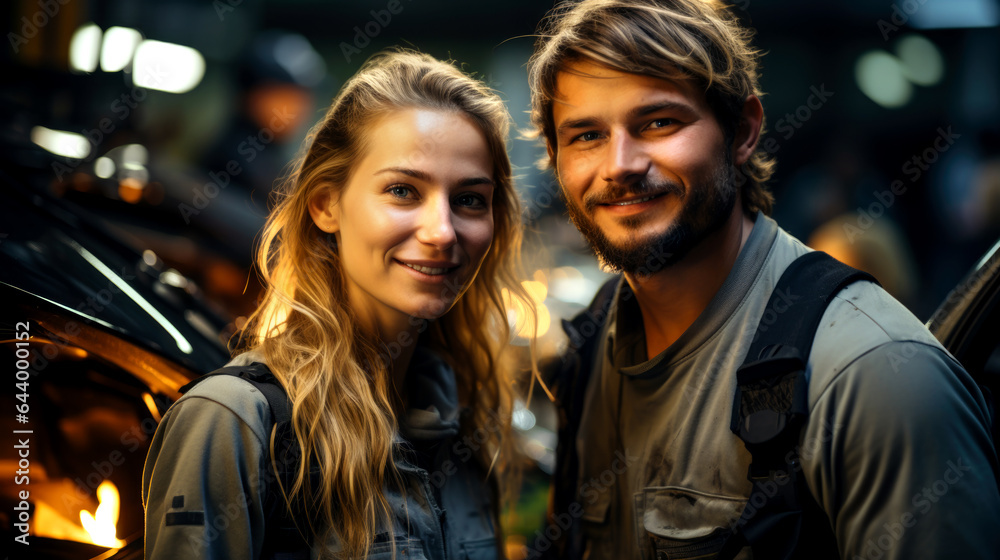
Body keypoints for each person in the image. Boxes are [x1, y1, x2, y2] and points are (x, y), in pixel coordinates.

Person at [526, 1, 1000, 559]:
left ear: (744, 131)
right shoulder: (592, 349)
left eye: (658, 122)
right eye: (585, 136)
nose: (620, 164)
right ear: (556, 159)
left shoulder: (875, 378)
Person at [143, 49, 534, 559]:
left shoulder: (464, 416)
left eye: (469, 199)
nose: (442, 232)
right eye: (402, 190)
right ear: (327, 205)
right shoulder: (235, 423)